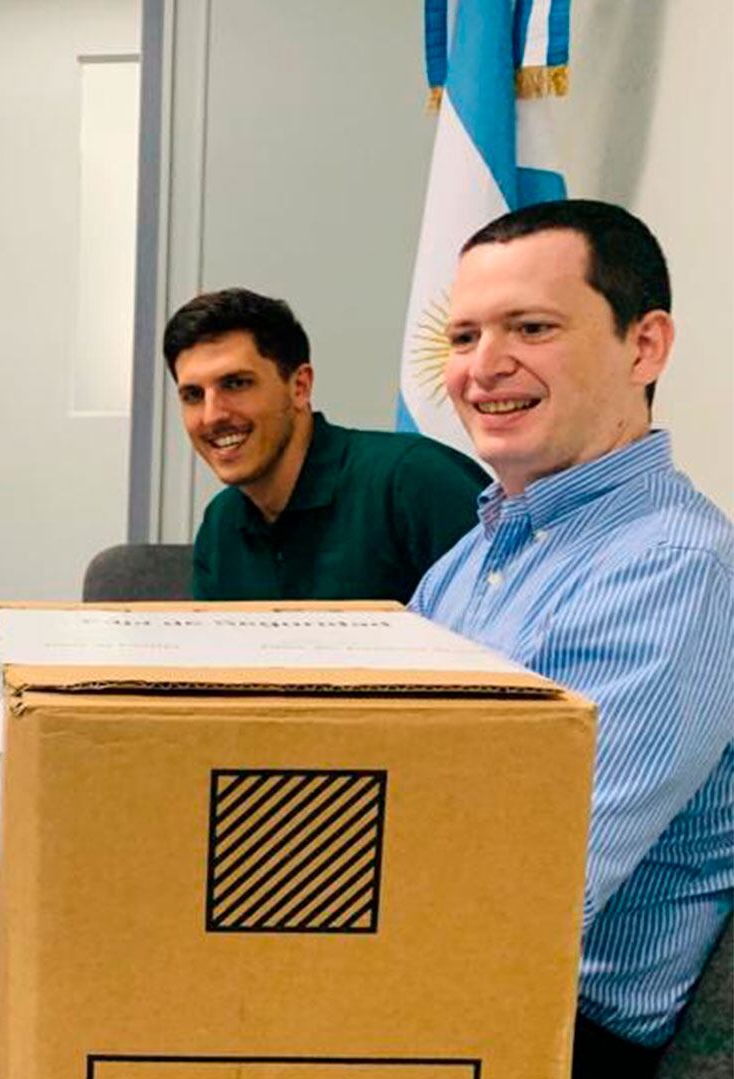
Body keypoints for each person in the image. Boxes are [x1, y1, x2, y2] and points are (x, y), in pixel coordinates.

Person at [410, 199, 733, 1077]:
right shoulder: (477, 552)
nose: (485, 367)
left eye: (532, 327)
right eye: (465, 335)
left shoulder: (672, 568)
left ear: (645, 346)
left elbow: (519, 892)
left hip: (553, 1031)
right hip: (435, 971)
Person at [164, 288, 487, 601]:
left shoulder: (413, 480)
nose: (211, 416)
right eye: (193, 395)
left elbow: (510, 634)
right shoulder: (222, 522)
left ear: (300, 387)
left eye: (236, 384)